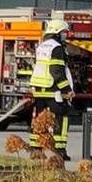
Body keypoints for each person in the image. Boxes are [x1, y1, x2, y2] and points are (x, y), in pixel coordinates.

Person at [29, 19, 74, 160]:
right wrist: (67, 89)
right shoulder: (57, 48)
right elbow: (57, 71)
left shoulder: (42, 46)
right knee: (61, 118)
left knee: (39, 120)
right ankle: (59, 151)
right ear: (57, 33)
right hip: (53, 90)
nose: (66, 35)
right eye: (64, 33)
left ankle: (36, 150)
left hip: (39, 89)